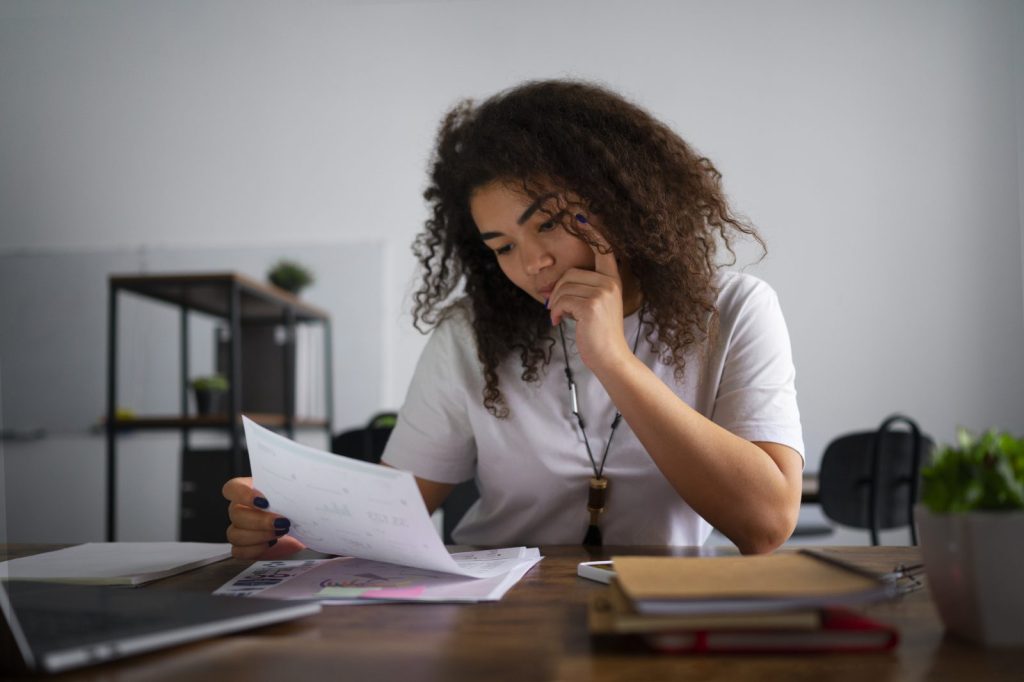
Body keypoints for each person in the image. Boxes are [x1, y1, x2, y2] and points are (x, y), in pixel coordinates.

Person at [223, 79, 804, 559]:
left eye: (549, 222)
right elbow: (391, 508)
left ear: (620, 198)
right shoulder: (472, 334)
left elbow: (766, 523)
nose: (532, 263)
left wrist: (613, 361)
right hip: (497, 608)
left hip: (654, 612)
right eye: (502, 246)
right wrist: (290, 524)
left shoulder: (732, 311)